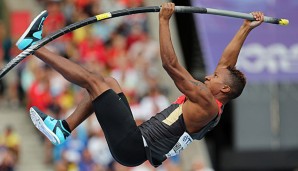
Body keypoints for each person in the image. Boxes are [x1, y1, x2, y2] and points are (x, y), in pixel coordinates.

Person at [16, 3, 264, 167]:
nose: (208, 77)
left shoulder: (205, 100)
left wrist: (164, 21)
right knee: (109, 83)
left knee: (94, 82)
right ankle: (64, 128)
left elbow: (170, 65)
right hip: (134, 147)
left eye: (214, 78)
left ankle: (33, 46)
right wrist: (245, 29)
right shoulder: (216, 105)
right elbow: (226, 65)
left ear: (224, 90)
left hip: (134, 144)